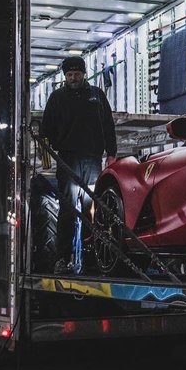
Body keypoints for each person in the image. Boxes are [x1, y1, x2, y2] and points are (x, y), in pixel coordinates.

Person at [41, 56, 117, 274]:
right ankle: (63, 260)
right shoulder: (57, 98)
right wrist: (52, 148)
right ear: (65, 76)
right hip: (68, 160)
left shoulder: (96, 96)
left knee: (91, 209)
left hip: (93, 160)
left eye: (77, 74)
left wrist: (111, 154)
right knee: (67, 209)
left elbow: (108, 125)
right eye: (69, 75)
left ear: (84, 74)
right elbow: (46, 129)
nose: (73, 78)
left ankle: (90, 256)